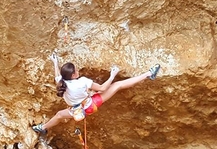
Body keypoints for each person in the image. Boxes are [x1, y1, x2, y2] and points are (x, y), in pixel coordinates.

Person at [32, 53, 160, 133]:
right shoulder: (82, 81)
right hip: (90, 105)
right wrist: (112, 75)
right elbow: (103, 88)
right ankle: (149, 74)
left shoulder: (61, 82)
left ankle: (43, 128)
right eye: (76, 70)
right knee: (117, 85)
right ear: (73, 75)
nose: (78, 71)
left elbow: (57, 75)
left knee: (59, 115)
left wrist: (55, 62)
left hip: (75, 110)